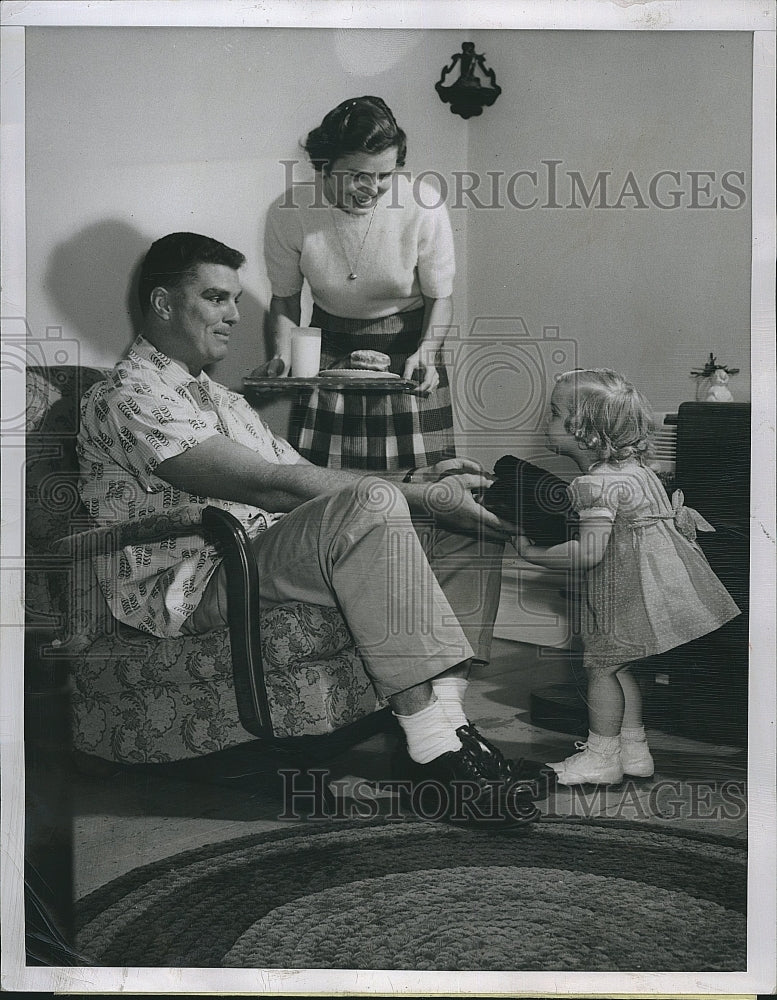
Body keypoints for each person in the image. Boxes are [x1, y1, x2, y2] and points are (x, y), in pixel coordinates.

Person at [76, 232, 543, 827]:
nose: (234, 316)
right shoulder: (126, 394)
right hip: (199, 581)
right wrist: (415, 494)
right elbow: (269, 486)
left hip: (260, 554)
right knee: (385, 504)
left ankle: (445, 739)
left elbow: (300, 473)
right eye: (217, 298)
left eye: (236, 300)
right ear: (163, 304)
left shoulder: (221, 399)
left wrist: (418, 477)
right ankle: (435, 750)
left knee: (459, 526)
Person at [516, 368, 741, 786]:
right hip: (657, 589)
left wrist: (533, 555)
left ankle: (601, 756)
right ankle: (634, 749)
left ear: (583, 432)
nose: (544, 422)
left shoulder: (595, 485)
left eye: (552, 413)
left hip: (625, 592)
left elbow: (588, 552)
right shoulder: (641, 472)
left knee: (600, 667)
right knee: (622, 667)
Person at [264, 95, 456, 471]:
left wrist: (427, 351)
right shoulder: (288, 211)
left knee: (422, 488)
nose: (371, 187)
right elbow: (285, 301)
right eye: (357, 175)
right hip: (329, 348)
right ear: (324, 166)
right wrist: (283, 356)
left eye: (385, 175)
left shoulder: (424, 204)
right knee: (326, 490)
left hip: (408, 349)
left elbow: (440, 298)